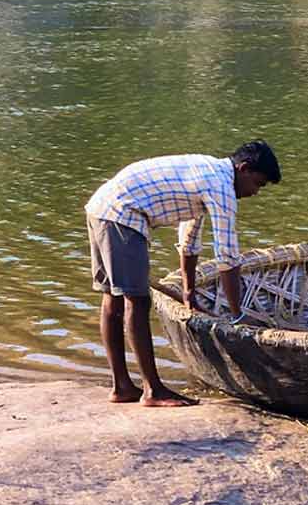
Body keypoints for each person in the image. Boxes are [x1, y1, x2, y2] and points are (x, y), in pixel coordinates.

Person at [84, 141, 281, 406]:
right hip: (122, 214)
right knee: (136, 301)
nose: (255, 192)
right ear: (244, 169)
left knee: (113, 299)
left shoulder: (207, 172)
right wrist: (238, 316)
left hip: (102, 208)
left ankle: (122, 388)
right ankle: (152, 391)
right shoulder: (221, 186)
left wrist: (189, 293)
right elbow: (227, 256)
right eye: (258, 183)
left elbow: (189, 240)